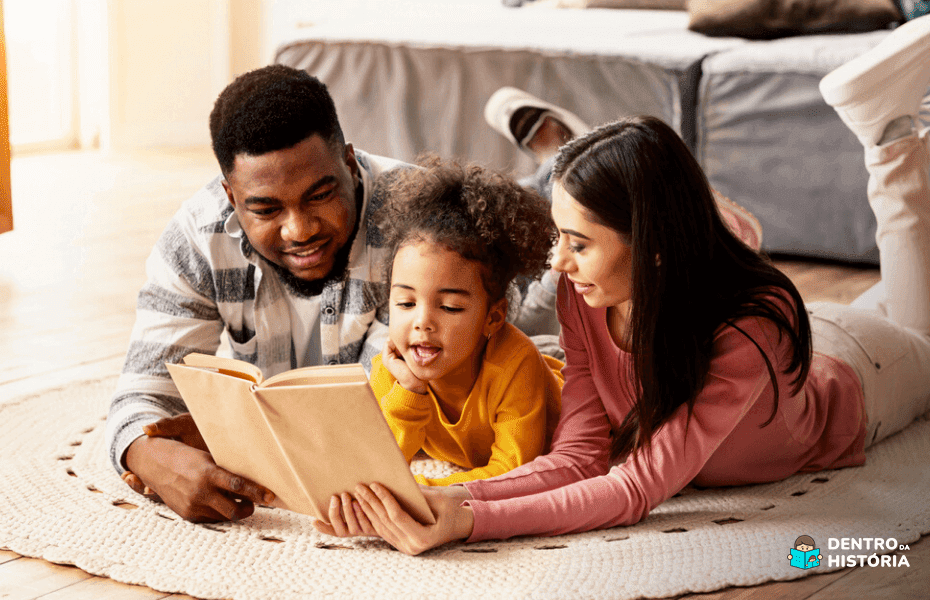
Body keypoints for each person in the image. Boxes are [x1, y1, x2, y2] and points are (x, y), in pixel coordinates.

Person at [316, 15, 930, 554]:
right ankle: (704, 214)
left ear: (653, 248)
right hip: (719, 295)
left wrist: (468, 521)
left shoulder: (751, 330)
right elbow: (579, 458)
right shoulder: (584, 296)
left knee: (919, 331)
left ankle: (890, 142)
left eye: (578, 244)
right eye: (560, 238)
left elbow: (637, 486)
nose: (558, 264)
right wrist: (438, 495)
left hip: (861, 371)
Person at [105, 65, 561, 523]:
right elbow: (141, 392)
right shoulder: (195, 240)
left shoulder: (417, 232)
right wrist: (146, 455)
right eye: (266, 209)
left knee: (560, 230)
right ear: (229, 194)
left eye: (320, 195)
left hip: (506, 290)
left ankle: (557, 158)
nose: (299, 230)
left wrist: (229, 433)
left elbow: (372, 418)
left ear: (348, 162)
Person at [368, 157, 564, 487]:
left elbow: (514, 473)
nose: (422, 322)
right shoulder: (392, 371)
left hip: (577, 393)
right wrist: (410, 391)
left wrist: (424, 491)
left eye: (449, 307)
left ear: (493, 316)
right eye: (405, 303)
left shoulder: (516, 366)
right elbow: (375, 468)